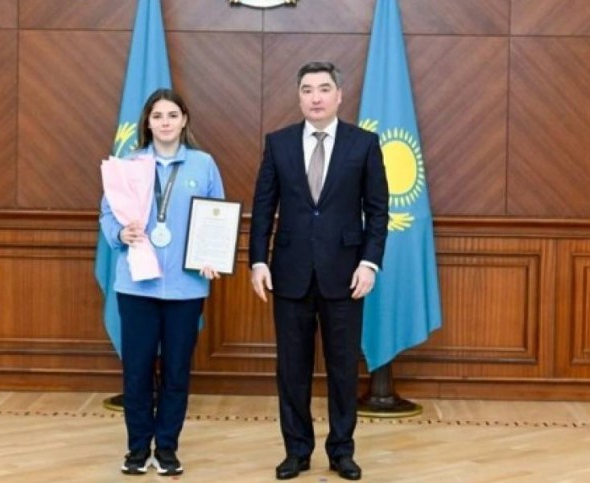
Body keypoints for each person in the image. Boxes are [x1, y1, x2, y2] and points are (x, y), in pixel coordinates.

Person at [249, 62, 388, 481]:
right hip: (289, 273)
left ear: (339, 96)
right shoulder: (278, 144)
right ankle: (296, 451)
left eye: (324, 89)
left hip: (345, 275)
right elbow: (263, 207)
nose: (315, 97)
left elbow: (377, 211)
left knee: (343, 369)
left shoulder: (364, 144)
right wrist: (257, 260)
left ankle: (341, 451)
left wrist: (369, 263)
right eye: (307, 89)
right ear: (299, 97)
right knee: (292, 369)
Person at [100, 88, 225, 476]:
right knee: (137, 371)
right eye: (158, 116)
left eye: (172, 115)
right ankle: (138, 449)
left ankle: (167, 448)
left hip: (187, 289)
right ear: (148, 123)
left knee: (175, 372)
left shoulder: (203, 164)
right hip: (137, 286)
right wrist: (120, 234)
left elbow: (217, 215)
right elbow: (108, 215)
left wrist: (214, 255)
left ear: (184, 120)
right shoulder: (129, 164)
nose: (165, 122)